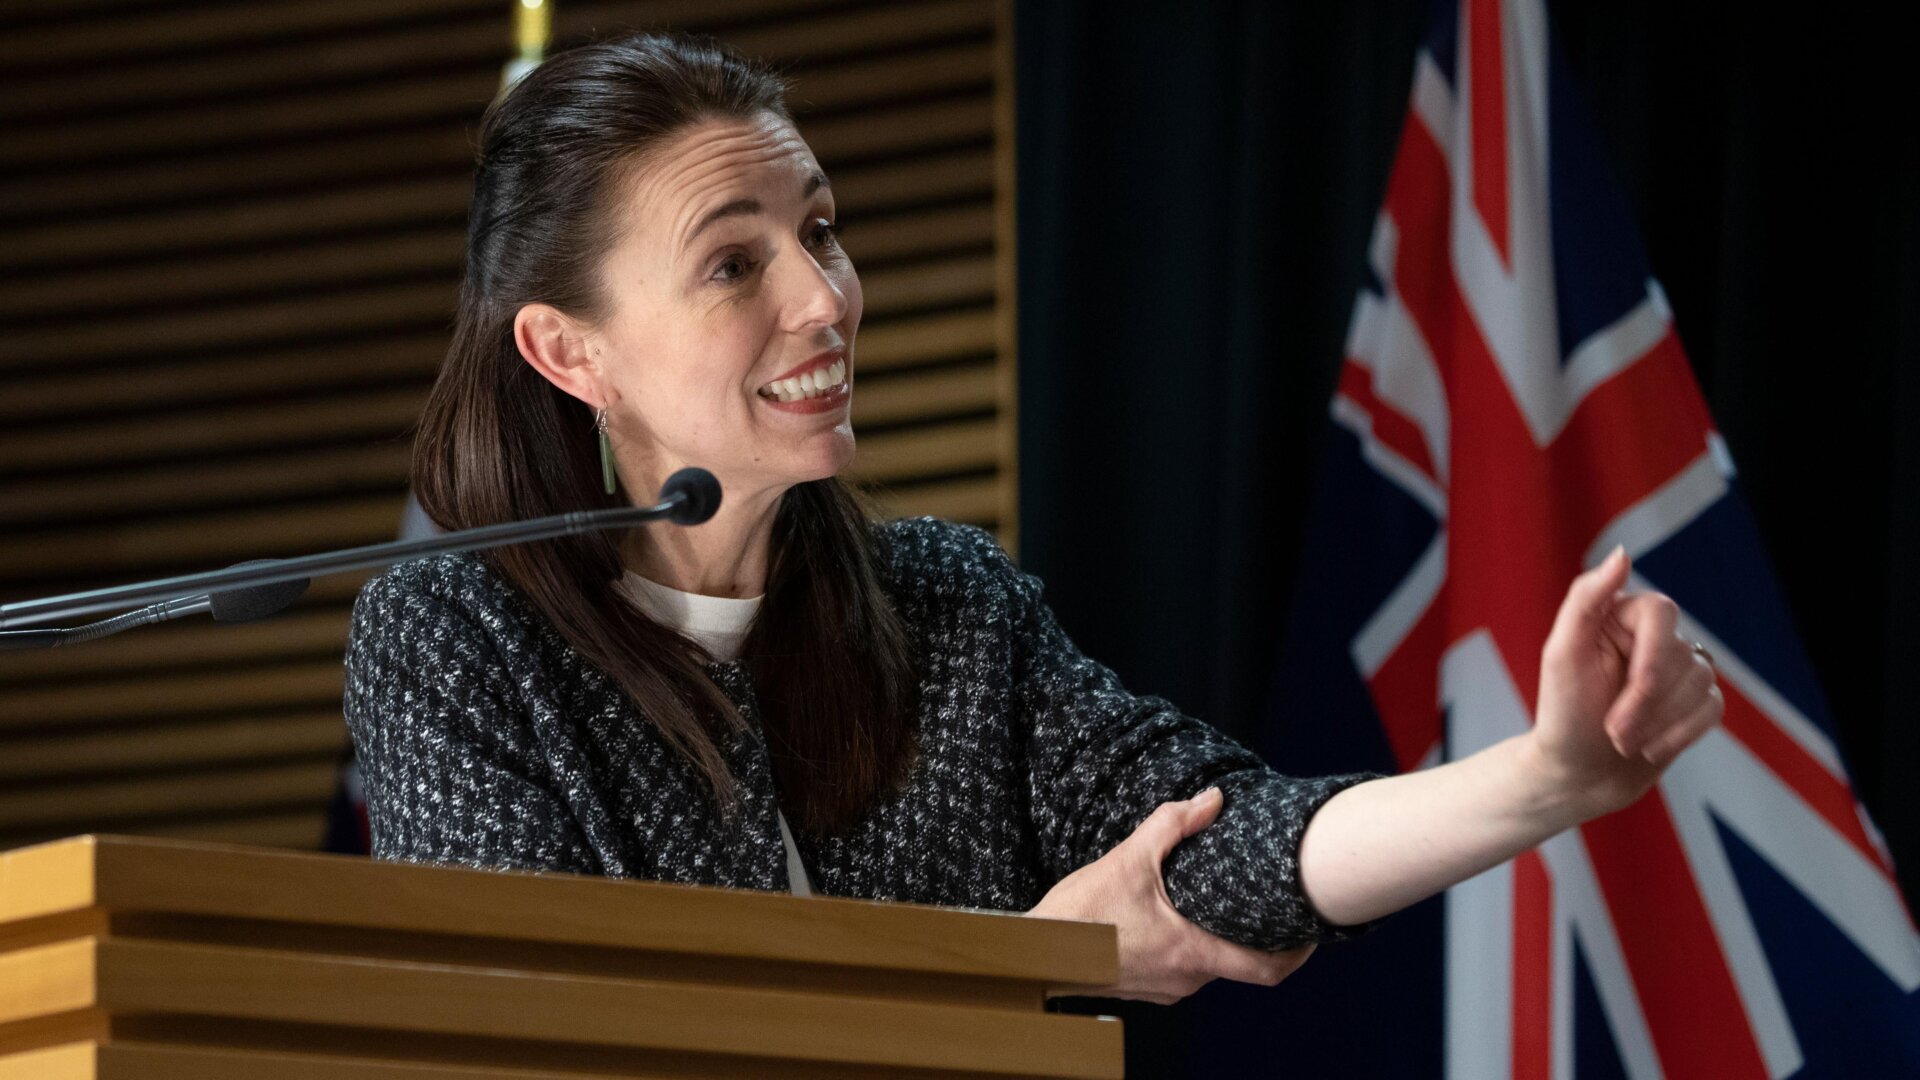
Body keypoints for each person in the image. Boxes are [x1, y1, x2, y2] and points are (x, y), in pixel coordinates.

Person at [341, 31, 1723, 1006]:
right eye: (732, 263)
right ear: (570, 353)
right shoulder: (456, 631)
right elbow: (539, 1035)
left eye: (818, 229)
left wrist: (1542, 778)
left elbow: (1220, 844)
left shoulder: (945, 602)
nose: (825, 300)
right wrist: (1024, 964)